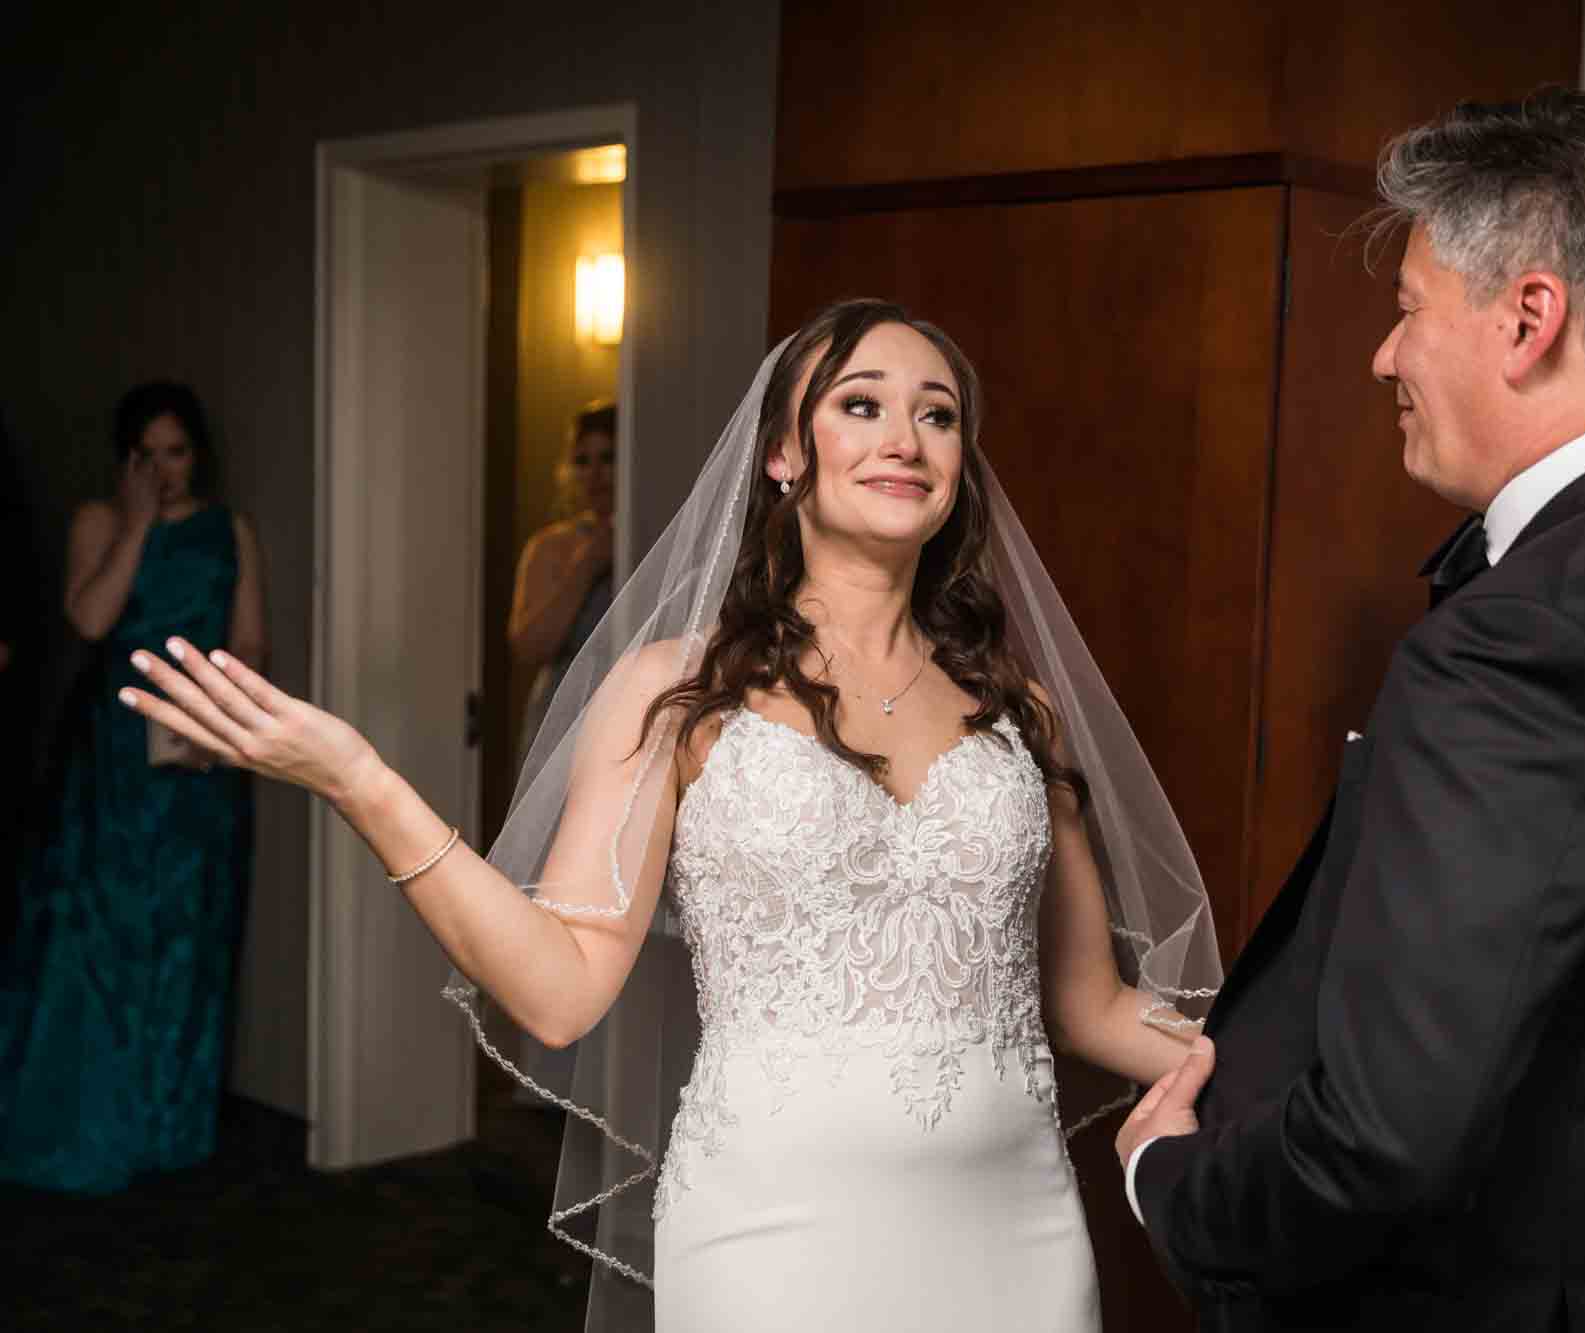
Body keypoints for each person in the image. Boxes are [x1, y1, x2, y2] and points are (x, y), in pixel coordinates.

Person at [125, 299, 1220, 1332]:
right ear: (782, 455)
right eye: (860, 402)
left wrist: (1304, 1069)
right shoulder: (677, 689)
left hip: (1013, 1231)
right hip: (769, 1230)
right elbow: (558, 991)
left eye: (936, 414)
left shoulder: (1014, 707)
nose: (905, 436)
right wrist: (360, 779)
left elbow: (1091, 1006)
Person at [1117, 90, 1585, 1332]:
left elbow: (1382, 1136)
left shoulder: (1529, 634)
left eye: (1405, 310)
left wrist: (1171, 1181)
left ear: (1527, 319)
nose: (1382, 356)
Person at [0, 381, 266, 1194]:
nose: (163, 469)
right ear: (126, 460)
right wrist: (139, 520)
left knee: (191, 935)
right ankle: (93, 1121)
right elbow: (88, 619)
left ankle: (171, 1127)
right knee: (106, 933)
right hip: (114, 760)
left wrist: (218, 713)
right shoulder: (100, 521)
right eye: (145, 455)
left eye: (175, 452)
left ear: (199, 453)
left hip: (198, 761)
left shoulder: (232, 530)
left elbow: (250, 640)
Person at [509, 401, 618, 772]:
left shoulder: (653, 537)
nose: (596, 473)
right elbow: (528, 645)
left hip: (627, 705)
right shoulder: (551, 546)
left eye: (608, 457)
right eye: (583, 461)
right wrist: (586, 566)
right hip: (562, 712)